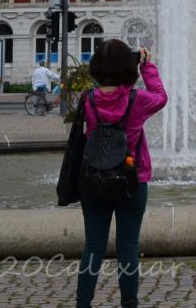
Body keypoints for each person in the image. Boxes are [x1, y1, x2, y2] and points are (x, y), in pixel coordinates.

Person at [77, 40, 168, 308]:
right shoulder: (137, 100)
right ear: (128, 67)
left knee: (93, 245)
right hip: (132, 179)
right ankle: (129, 304)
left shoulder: (88, 99)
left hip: (93, 180)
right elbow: (161, 97)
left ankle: (83, 304)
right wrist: (147, 66)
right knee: (128, 246)